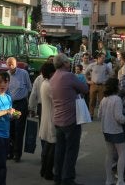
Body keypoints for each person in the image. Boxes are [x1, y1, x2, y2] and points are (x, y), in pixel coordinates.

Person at [49, 53, 89, 185]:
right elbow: (85, 88)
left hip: (58, 119)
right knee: (71, 151)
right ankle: (68, 178)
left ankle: (58, 177)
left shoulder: (54, 77)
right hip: (71, 119)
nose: (70, 63)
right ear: (65, 63)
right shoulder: (69, 76)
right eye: (68, 61)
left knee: (60, 150)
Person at [98, 77, 125, 185]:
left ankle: (108, 180)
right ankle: (120, 180)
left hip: (106, 130)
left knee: (109, 154)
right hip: (116, 130)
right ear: (116, 87)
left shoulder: (104, 99)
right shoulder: (117, 99)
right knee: (122, 154)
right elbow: (119, 117)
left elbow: (99, 115)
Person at [6, 56, 32, 162]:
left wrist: (30, 105)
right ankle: (10, 152)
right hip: (10, 106)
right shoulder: (6, 75)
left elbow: (29, 88)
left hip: (20, 105)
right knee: (10, 129)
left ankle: (17, 154)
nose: (10, 66)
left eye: (12, 64)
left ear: (16, 64)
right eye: (9, 64)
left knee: (19, 129)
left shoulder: (23, 74)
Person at [38, 62, 57, 180]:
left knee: (48, 146)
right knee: (52, 146)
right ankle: (48, 171)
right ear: (51, 73)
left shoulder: (45, 83)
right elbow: (57, 100)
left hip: (47, 117)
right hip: (51, 118)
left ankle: (44, 169)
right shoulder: (49, 85)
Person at [85, 51, 113, 117]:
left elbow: (111, 74)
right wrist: (88, 81)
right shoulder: (92, 65)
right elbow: (85, 73)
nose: (103, 59)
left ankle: (101, 114)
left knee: (102, 101)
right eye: (102, 58)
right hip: (93, 85)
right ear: (98, 58)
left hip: (102, 86)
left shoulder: (106, 66)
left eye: (104, 58)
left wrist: (107, 80)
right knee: (92, 101)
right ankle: (91, 114)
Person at [29, 56, 55, 122]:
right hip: (43, 105)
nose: (51, 62)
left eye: (53, 60)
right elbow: (33, 94)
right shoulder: (39, 78)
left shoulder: (39, 78)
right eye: (50, 60)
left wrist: (31, 107)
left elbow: (33, 94)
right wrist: (31, 107)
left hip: (52, 106)